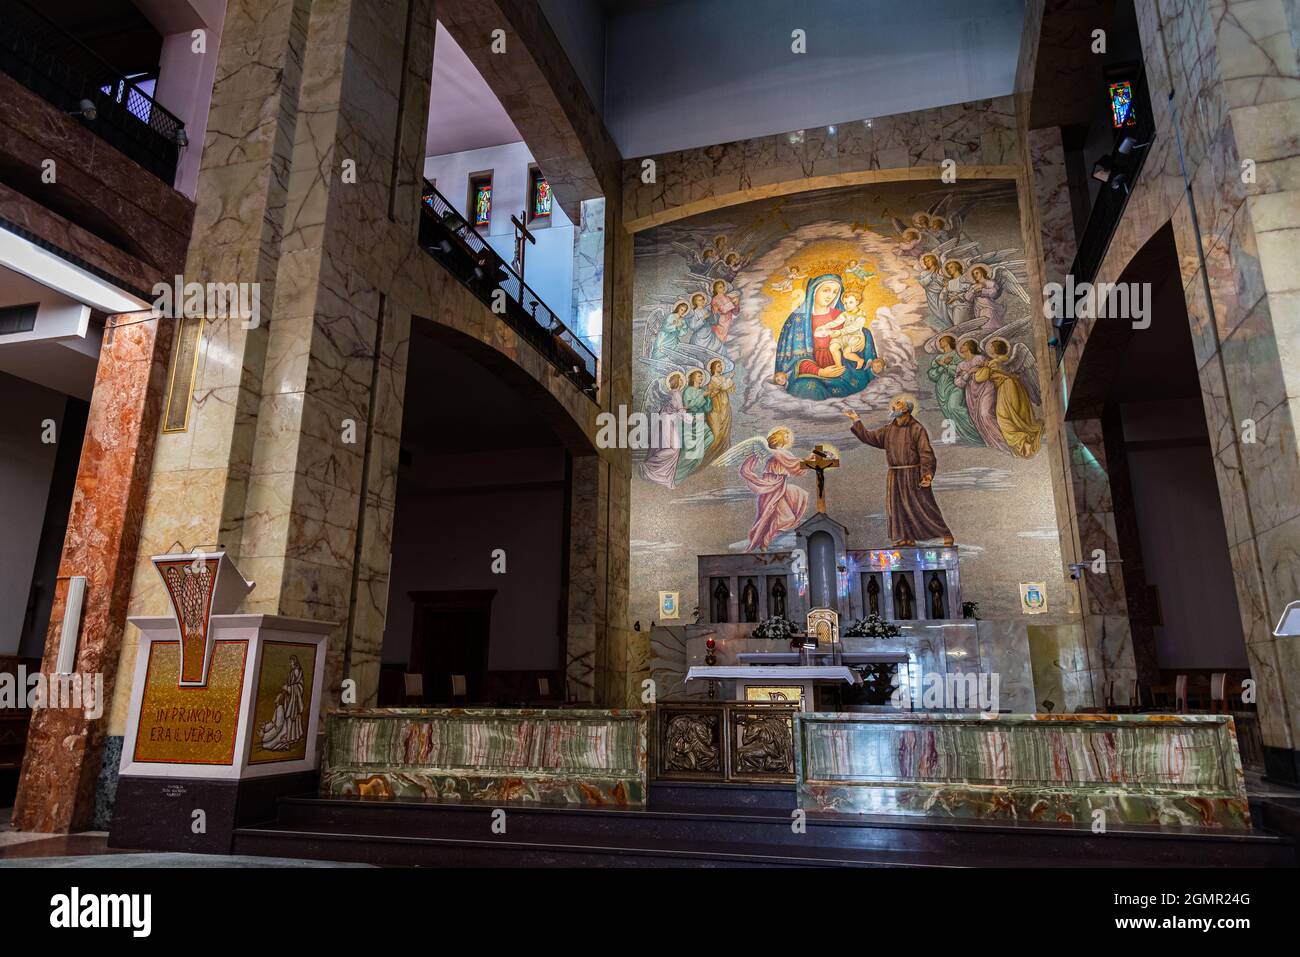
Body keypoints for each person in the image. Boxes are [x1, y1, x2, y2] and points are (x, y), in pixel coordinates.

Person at [845, 399, 955, 546]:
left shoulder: (917, 429)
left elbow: (926, 453)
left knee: (924, 506)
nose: (892, 406)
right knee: (899, 508)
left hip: (914, 475)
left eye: (897, 404)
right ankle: (906, 537)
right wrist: (856, 420)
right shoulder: (889, 429)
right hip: (895, 476)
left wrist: (927, 474)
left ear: (904, 410)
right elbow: (870, 437)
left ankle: (945, 533)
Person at [772, 274, 882, 401]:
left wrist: (863, 336)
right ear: (814, 291)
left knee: (861, 381)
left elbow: (856, 329)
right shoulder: (798, 320)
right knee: (806, 389)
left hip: (842, 367)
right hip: (811, 373)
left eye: (835, 292)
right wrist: (820, 372)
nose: (831, 295)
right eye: (826, 290)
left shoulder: (841, 315)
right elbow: (793, 359)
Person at [740, 427, 809, 550]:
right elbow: (794, 464)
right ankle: (765, 542)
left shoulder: (782, 453)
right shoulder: (779, 453)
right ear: (781, 438)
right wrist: (811, 459)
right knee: (786, 518)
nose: (790, 438)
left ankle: (765, 542)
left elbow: (796, 467)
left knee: (800, 495)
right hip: (771, 488)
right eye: (787, 436)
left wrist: (811, 460)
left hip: (779, 486)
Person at [953, 338, 1013, 454]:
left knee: (985, 414)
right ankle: (994, 444)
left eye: (964, 344)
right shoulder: (960, 365)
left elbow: (990, 370)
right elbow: (958, 383)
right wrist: (969, 373)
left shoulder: (979, 358)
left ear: (970, 346)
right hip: (971, 393)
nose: (961, 346)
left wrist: (979, 371)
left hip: (986, 388)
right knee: (978, 419)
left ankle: (1004, 441)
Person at [927, 334, 984, 446]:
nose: (940, 342)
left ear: (949, 341)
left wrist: (944, 366)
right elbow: (932, 375)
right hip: (941, 389)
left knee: (954, 407)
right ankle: (967, 436)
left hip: (955, 387)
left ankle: (978, 432)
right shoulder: (938, 358)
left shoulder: (958, 356)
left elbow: (959, 372)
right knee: (950, 413)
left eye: (942, 340)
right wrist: (941, 367)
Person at [640, 371, 686, 487]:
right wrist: (690, 418)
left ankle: (659, 473)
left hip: (664, 421)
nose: (682, 381)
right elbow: (680, 411)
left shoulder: (670, 394)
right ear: (677, 381)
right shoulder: (677, 394)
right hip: (668, 421)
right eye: (680, 379)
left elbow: (669, 408)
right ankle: (649, 466)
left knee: (670, 448)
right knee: (675, 449)